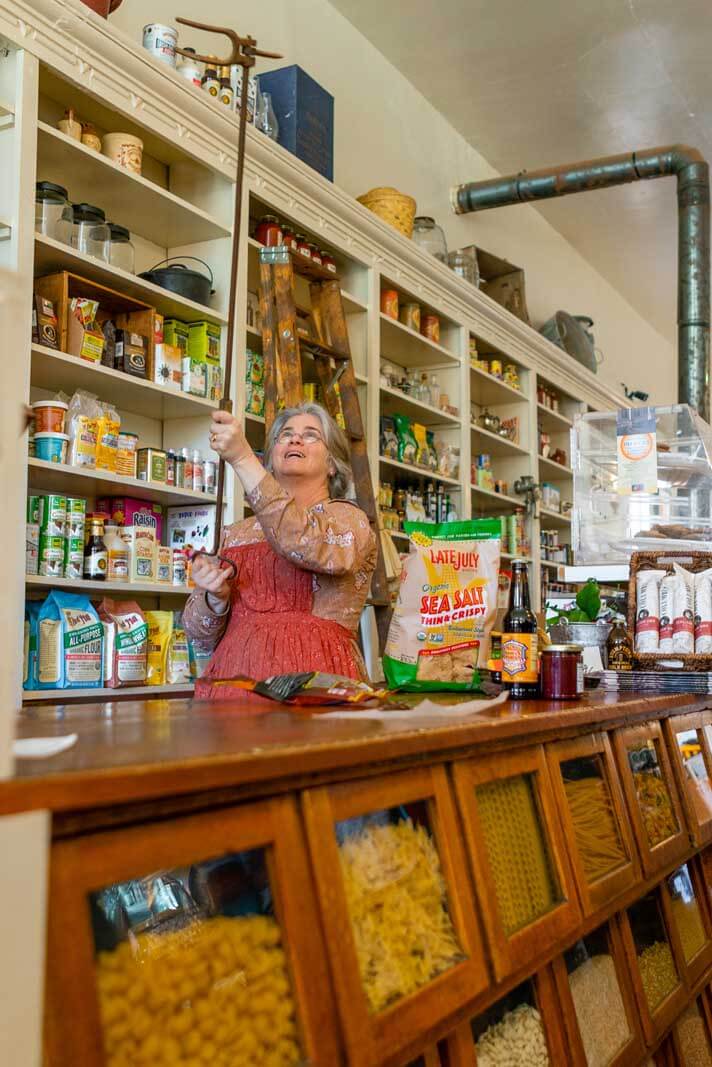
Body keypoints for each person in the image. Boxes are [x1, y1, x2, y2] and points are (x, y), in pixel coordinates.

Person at [183, 402, 377, 701]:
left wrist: (243, 458)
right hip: (234, 686)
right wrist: (215, 598)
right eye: (285, 434)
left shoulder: (347, 520)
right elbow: (200, 637)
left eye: (311, 435)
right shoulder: (236, 533)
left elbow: (301, 541)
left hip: (315, 686)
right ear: (271, 461)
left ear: (332, 464)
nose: (295, 440)